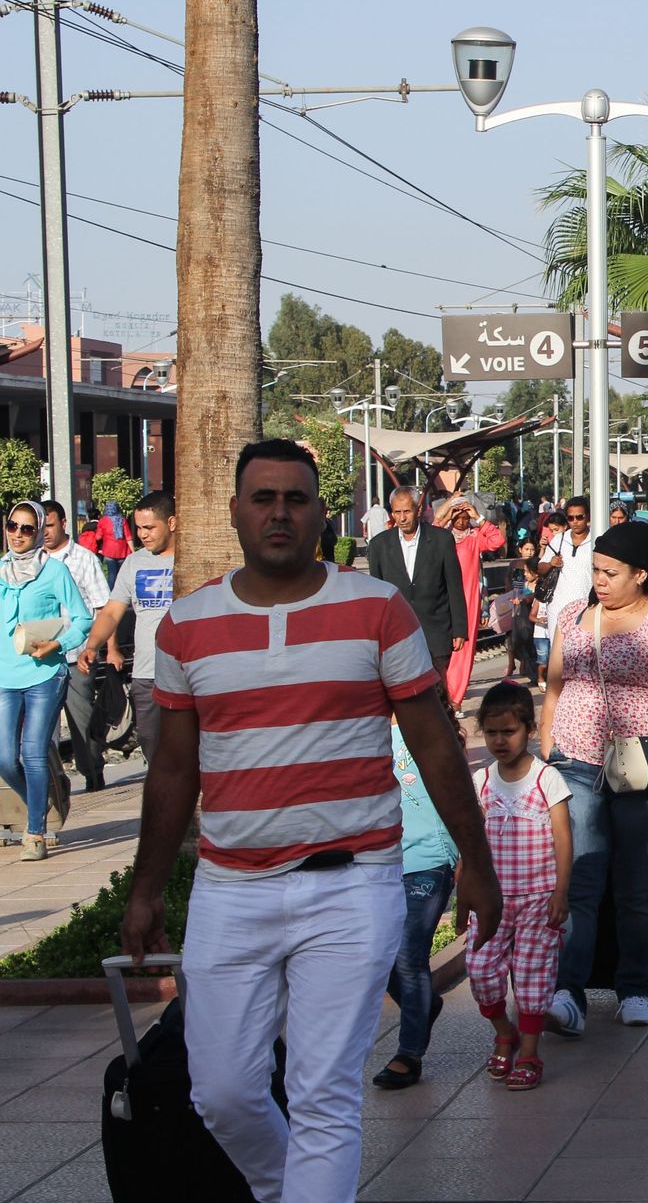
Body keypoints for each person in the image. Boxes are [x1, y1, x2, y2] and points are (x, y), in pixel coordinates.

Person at [118, 439, 502, 1203]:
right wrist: (147, 887)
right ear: (235, 512)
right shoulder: (188, 625)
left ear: (321, 513)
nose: (280, 512)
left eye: (296, 498)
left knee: (323, 1095)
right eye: (263, 498)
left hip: (351, 885)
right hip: (231, 889)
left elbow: (432, 742)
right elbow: (172, 770)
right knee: (220, 1093)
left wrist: (476, 860)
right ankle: (284, 1189)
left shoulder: (374, 607)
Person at [540, 519, 648, 1034]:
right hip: (575, 759)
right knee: (580, 875)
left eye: (611, 572)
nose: (600, 581)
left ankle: (635, 988)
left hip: (641, 762)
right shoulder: (574, 615)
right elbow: (555, 684)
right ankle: (568, 991)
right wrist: (547, 743)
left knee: (635, 879)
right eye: (597, 571)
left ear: (642, 575)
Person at [463, 682, 571, 1092]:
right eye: (491, 733)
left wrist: (561, 893)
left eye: (508, 732)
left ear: (528, 728)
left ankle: (528, 1052)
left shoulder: (548, 779)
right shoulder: (482, 782)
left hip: (538, 901)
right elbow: (470, 840)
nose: (499, 741)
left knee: (532, 978)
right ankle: (502, 1031)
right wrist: (465, 892)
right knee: (481, 972)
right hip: (492, 902)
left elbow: (563, 838)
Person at [372, 718, 459, 1091]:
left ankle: (409, 1054)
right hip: (381, 862)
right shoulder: (361, 728)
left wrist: (469, 861)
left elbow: (457, 797)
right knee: (377, 955)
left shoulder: (427, 730)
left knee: (409, 955)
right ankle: (421, 1005)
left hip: (428, 859)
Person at [1, 501, 89, 859]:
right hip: (5, 676)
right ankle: (45, 803)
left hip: (45, 673)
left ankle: (35, 832)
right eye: (13, 526)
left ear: (39, 532)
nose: (18, 534)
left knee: (33, 752)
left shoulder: (55, 572)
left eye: (27, 528)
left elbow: (82, 619)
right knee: (5, 758)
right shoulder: (0, 570)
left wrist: (58, 643)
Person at [80, 490, 177, 768]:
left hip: (185, 674)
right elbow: (112, 611)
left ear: (171, 523)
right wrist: (92, 645)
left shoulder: (191, 559)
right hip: (146, 674)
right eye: (139, 528)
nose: (143, 534)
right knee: (149, 740)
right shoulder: (135, 562)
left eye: (149, 527)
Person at [41, 500, 111, 792]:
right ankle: (51, 785)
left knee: (81, 719)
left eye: (50, 525)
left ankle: (93, 773)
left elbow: (103, 607)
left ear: (63, 524)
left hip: (77, 653)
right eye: (40, 526)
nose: (44, 532)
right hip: (43, 658)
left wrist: (108, 648)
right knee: (43, 725)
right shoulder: (33, 562)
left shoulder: (83, 559)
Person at [367, 487, 467, 691]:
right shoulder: (379, 545)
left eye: (407, 511)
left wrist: (459, 629)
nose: (402, 518)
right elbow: (376, 595)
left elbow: (454, 586)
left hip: (436, 630)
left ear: (418, 509)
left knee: (438, 691)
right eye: (397, 512)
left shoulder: (441, 540)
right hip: (397, 634)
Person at [441, 496, 505, 709]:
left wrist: (478, 516)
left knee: (464, 649)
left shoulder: (475, 537)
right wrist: (447, 511)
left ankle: (455, 696)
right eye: (457, 517)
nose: (461, 521)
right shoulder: (442, 538)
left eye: (464, 516)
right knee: (441, 648)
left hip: (468, 599)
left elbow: (498, 541)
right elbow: (428, 532)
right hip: (443, 599)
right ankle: (442, 690)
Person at [537, 496, 596, 641]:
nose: (575, 522)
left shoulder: (596, 539)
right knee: (558, 653)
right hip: (558, 606)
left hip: (586, 606)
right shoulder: (559, 539)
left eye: (579, 517)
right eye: (570, 518)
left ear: (587, 516)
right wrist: (551, 563)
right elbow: (540, 568)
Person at [507, 537, 543, 685]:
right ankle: (522, 667)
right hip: (518, 607)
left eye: (532, 549)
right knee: (517, 640)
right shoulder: (515, 564)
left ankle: (534, 674)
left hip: (529, 611)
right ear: (520, 549)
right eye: (526, 549)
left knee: (529, 642)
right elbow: (511, 584)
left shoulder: (537, 566)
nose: (529, 552)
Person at [92, 499, 134, 585]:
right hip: (122, 552)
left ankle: (111, 594)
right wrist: (133, 551)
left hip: (109, 552)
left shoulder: (103, 521)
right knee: (122, 575)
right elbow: (128, 537)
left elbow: (98, 537)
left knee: (112, 575)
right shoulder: (122, 520)